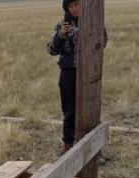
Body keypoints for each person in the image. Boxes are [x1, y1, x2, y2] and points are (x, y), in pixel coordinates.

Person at [47, 0, 108, 155]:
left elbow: (103, 43)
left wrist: (86, 32)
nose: (74, 8)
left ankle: (94, 150)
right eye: (71, 6)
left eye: (77, 4)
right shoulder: (61, 25)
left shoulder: (94, 21)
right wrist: (61, 35)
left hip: (88, 73)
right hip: (68, 73)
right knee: (69, 110)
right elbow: (51, 50)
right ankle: (68, 145)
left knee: (90, 110)